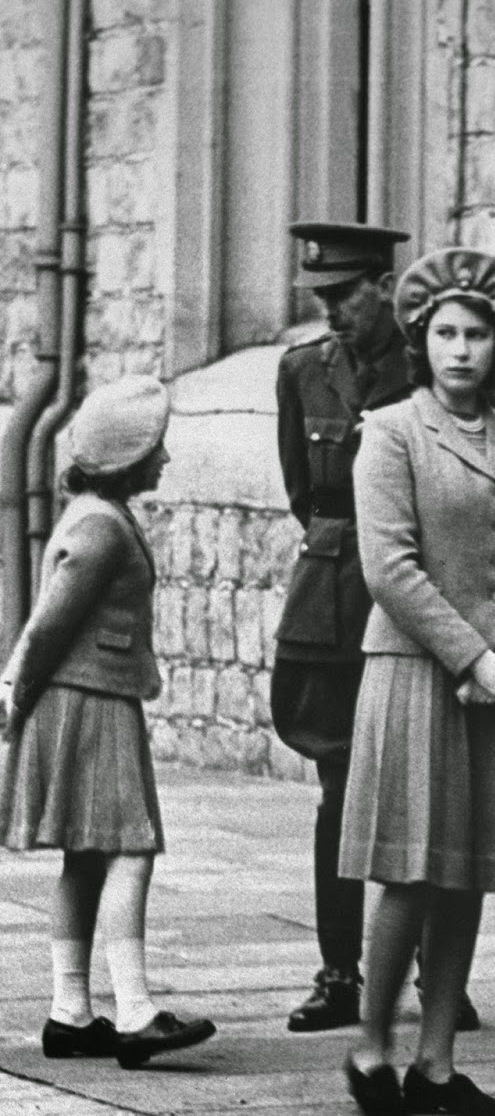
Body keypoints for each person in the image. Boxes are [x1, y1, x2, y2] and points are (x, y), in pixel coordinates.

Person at [339, 248, 495, 1116]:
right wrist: (476, 657)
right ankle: (370, 1053)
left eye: (477, 334)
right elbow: (389, 567)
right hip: (417, 675)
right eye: (445, 333)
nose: (461, 350)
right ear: (420, 340)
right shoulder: (391, 431)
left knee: (465, 871)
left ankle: (436, 1066)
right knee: (410, 870)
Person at [275, 222, 478, 1033]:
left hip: (416, 608)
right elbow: (307, 492)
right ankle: (339, 973)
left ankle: (437, 977)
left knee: (427, 793)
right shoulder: (302, 372)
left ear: (385, 289)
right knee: (336, 793)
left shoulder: (432, 371)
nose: (330, 314)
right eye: (320, 298)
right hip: (330, 607)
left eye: (342, 296)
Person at [0, 376, 216, 1069]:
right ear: (128, 456)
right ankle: (134, 1010)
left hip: (84, 696)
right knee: (129, 845)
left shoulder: (95, 513)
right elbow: (49, 624)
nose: (164, 458)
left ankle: (70, 1011)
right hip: (89, 702)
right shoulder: (99, 528)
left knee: (88, 854)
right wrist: (15, 689)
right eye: (155, 447)